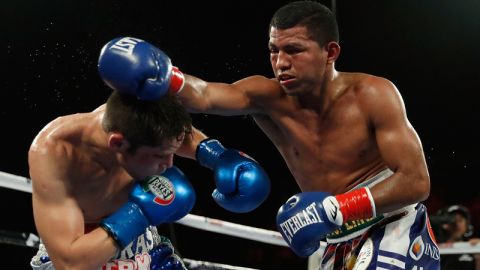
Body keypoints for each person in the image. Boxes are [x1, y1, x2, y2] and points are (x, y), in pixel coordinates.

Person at [96, 1, 439, 268]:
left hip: (390, 225)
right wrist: (166, 75)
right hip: (334, 239)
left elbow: (417, 182)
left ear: (330, 53)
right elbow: (205, 96)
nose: (281, 63)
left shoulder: (373, 94)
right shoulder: (266, 97)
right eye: (274, 50)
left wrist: (335, 208)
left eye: (294, 50)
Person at [28, 89, 271, 269]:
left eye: (170, 153)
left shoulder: (138, 117)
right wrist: (139, 212)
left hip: (141, 244)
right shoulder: (56, 154)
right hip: (80, 251)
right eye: (159, 156)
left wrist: (216, 156)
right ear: (118, 144)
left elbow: (175, 132)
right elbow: (69, 263)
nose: (169, 165)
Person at [431, 205, 480, 270]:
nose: (457, 224)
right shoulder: (433, 247)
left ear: (467, 225)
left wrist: (478, 255)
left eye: (460, 220)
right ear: (445, 224)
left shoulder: (472, 247)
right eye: (453, 219)